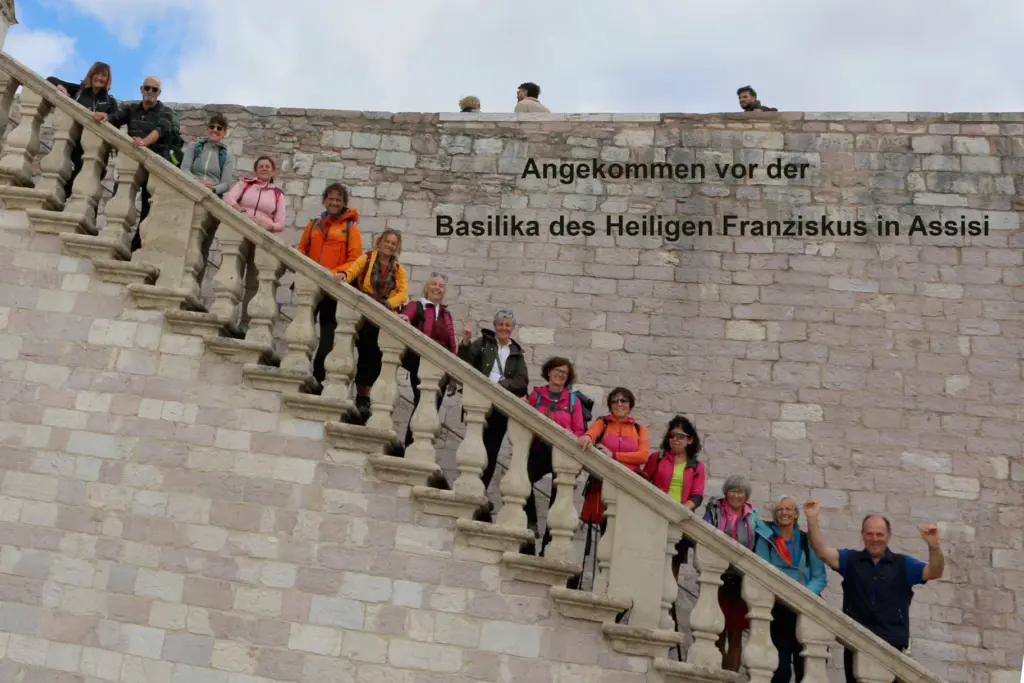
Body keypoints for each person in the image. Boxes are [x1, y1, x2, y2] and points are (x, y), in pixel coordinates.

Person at [803, 500, 944, 683]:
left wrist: (934, 546)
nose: (874, 538)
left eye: (879, 534)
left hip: (891, 644)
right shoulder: (851, 559)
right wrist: (812, 519)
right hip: (856, 641)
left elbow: (935, 571)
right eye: (870, 534)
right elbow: (822, 552)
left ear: (889, 536)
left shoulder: (902, 564)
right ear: (863, 535)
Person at [93, 75, 175, 251]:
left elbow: (160, 130)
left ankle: (136, 246)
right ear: (141, 89)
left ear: (159, 93)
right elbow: (116, 118)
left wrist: (144, 142)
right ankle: (112, 234)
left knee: (147, 205)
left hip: (153, 165)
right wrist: (105, 116)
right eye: (147, 88)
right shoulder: (131, 109)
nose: (150, 92)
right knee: (120, 195)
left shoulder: (165, 111)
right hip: (130, 163)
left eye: (154, 89)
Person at [754, 496, 827, 683]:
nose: (784, 513)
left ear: (796, 515)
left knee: (806, 668)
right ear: (775, 515)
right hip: (777, 607)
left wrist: (801, 597)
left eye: (788, 509)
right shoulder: (766, 538)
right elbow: (763, 570)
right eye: (780, 509)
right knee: (780, 669)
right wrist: (784, 596)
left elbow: (820, 577)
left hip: (806, 608)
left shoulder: (806, 540)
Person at [296, 183, 362, 386]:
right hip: (311, 282)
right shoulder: (313, 224)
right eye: (331, 199)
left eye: (338, 200)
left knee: (327, 334)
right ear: (325, 201)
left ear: (344, 203)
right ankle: (299, 366)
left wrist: (339, 273)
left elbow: (355, 259)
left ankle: (317, 376)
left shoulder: (351, 229)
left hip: (334, 288)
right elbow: (302, 250)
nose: (334, 202)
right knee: (301, 325)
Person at [457, 309, 530, 492]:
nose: (504, 328)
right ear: (495, 326)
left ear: (512, 329)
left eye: (507, 325)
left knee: (491, 450)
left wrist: (501, 384)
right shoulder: (483, 343)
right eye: (501, 324)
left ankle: (481, 489)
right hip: (479, 401)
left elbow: (522, 380)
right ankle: (466, 485)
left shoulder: (516, 353)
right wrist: (466, 341)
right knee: (473, 444)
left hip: (500, 407)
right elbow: (463, 364)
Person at [340, 229, 409, 418]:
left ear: (397, 247)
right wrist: (344, 276)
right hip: (367, 311)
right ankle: (362, 396)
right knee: (365, 353)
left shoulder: (398, 269)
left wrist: (389, 304)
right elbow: (353, 271)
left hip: (384, 314)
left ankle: (367, 398)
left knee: (377, 356)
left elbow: (403, 293)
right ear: (380, 242)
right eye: (387, 241)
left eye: (394, 243)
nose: (389, 245)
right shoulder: (368, 258)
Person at [523, 357, 586, 548]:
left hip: (562, 454)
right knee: (523, 478)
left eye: (564, 373)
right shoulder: (537, 395)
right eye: (557, 370)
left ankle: (548, 545)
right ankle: (531, 521)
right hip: (539, 449)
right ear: (549, 372)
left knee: (558, 498)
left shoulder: (573, 401)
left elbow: (579, 430)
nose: (560, 375)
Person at [703, 475, 760, 672]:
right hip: (718, 576)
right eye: (733, 491)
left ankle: (730, 676)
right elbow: (704, 535)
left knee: (736, 634)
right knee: (718, 630)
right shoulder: (715, 512)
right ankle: (717, 675)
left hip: (741, 579)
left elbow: (758, 546)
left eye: (741, 492)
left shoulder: (753, 517)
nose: (737, 495)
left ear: (747, 496)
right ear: (726, 493)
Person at [398, 272, 458, 446]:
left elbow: (452, 343)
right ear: (427, 287)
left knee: (433, 408)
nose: (437, 288)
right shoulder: (418, 305)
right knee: (421, 403)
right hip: (421, 362)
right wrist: (404, 318)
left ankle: (420, 445)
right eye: (434, 284)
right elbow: (407, 315)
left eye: (441, 286)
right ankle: (410, 444)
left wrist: (453, 375)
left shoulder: (446, 314)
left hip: (441, 368)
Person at [643, 415, 705, 576]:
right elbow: (643, 482)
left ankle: (669, 602)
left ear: (690, 440)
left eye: (680, 436)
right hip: (656, 516)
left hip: (680, 520)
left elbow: (697, 496)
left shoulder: (697, 466)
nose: (675, 440)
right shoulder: (657, 459)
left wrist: (680, 511)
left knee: (672, 566)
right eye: (672, 436)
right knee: (649, 560)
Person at [46, 62, 118, 199]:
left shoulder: (110, 101)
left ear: (107, 80)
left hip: (96, 146)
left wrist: (107, 116)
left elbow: (117, 119)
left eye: (104, 76)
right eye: (97, 74)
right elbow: (50, 79)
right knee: (73, 168)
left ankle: (66, 198)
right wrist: (60, 87)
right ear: (91, 75)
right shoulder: (79, 91)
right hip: (76, 141)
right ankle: (61, 197)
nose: (99, 78)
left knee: (93, 176)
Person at [181, 113, 235, 196]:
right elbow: (184, 169)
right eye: (212, 127)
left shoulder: (226, 154)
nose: (215, 130)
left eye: (219, 128)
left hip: (211, 196)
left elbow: (226, 183)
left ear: (224, 133)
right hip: (191, 190)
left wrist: (213, 189)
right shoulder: (193, 146)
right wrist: (197, 181)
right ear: (207, 129)